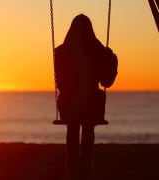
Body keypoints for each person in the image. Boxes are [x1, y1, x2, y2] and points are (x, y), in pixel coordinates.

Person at [54, 14, 117, 180]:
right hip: (91, 105)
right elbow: (107, 81)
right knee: (87, 129)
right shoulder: (97, 52)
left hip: (70, 105)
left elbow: (61, 84)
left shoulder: (61, 52)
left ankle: (73, 171)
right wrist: (111, 59)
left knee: (73, 129)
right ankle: (86, 170)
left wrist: (109, 59)